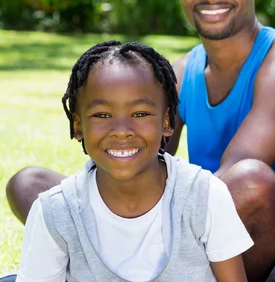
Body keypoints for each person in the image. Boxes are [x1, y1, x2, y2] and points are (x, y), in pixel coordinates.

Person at [7, 0, 275, 282]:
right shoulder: (183, 70)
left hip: (252, 237)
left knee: (250, 180)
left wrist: (158, 219)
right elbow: (141, 158)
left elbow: (234, 175)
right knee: (30, 184)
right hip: (186, 226)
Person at [16, 41, 253, 281]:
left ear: (167, 122)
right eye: (102, 115)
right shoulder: (54, 213)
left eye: (139, 114)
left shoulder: (205, 196)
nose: (121, 131)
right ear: (78, 125)